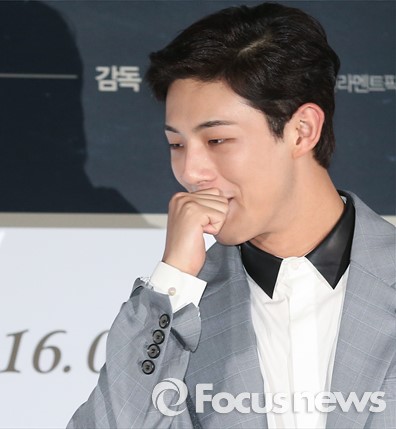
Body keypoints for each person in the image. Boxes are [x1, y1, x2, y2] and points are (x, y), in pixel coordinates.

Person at [68, 3, 395, 428]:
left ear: (302, 131)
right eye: (176, 144)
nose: (190, 172)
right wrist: (172, 283)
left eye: (217, 140)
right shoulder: (175, 313)